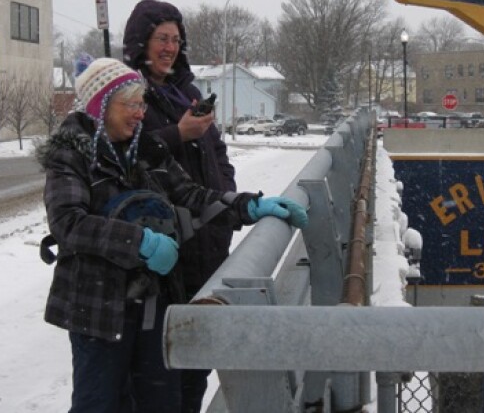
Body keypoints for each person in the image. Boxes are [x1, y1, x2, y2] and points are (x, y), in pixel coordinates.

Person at [36, 57, 307, 413]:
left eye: (141, 103)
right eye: (130, 104)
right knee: (100, 403)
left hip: (153, 304)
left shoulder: (145, 151)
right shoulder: (70, 156)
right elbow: (68, 224)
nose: (139, 113)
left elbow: (193, 198)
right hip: (99, 309)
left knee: (161, 401)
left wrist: (249, 207)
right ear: (99, 106)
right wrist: (141, 243)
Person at [121, 0, 237, 412]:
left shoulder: (185, 90)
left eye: (175, 39)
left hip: (207, 244)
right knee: (161, 370)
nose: (169, 47)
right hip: (165, 254)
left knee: (197, 362)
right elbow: (127, 157)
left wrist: (225, 197)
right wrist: (178, 133)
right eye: (160, 38)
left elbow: (218, 152)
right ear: (141, 42)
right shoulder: (129, 93)